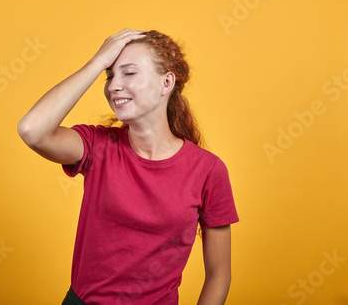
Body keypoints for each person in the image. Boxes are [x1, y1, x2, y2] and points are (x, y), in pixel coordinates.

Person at [17, 29, 239, 304]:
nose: (113, 86)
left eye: (129, 73)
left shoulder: (208, 170)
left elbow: (219, 274)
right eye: (109, 76)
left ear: (166, 82)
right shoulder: (97, 145)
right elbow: (32, 130)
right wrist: (97, 62)